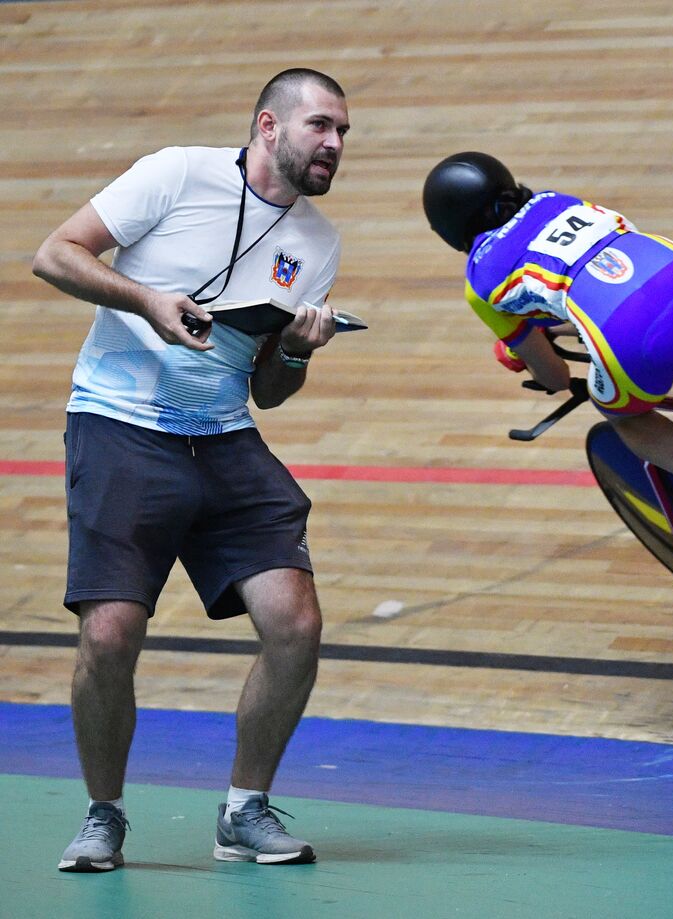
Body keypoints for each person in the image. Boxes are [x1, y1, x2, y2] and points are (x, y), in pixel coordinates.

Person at [31, 68, 351, 871]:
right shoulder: (175, 172)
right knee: (110, 634)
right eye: (320, 126)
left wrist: (298, 352)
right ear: (269, 128)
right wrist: (147, 301)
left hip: (224, 433)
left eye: (343, 131)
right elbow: (55, 254)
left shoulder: (316, 243)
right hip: (119, 423)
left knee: (296, 623)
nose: (335, 144)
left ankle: (244, 811)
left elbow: (268, 391)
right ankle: (104, 814)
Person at [422, 152, 673, 568]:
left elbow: (555, 375)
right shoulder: (559, 201)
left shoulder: (480, 283)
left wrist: (526, 349)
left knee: (625, 417)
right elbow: (607, 280)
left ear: (450, 230)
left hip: (631, 334)